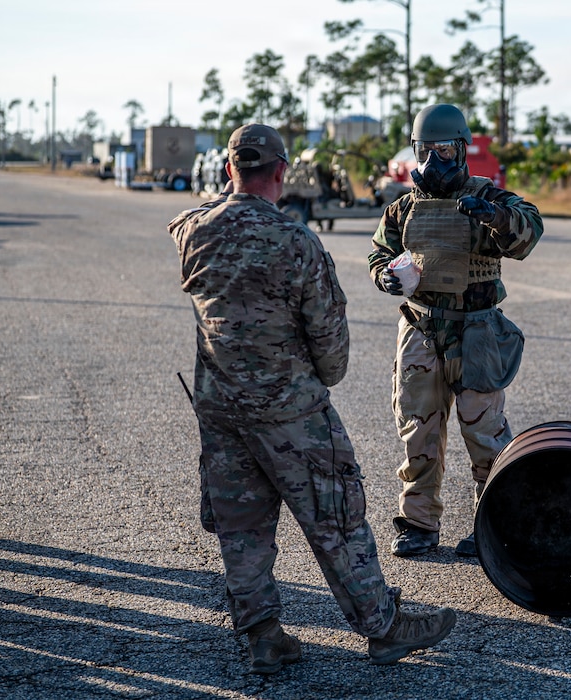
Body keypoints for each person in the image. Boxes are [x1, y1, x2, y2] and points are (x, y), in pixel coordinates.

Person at [168, 123, 456, 673]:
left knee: (241, 523)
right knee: (337, 515)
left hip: (220, 406)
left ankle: (263, 635)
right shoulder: (296, 240)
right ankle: (382, 625)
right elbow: (331, 351)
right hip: (289, 408)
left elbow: (197, 227)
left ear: (230, 170)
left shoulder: (193, 231)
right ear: (281, 172)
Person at [368, 104, 543, 558]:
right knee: (418, 430)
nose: (433, 162)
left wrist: (493, 216)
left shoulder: (492, 199)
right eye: (424, 151)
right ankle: (418, 523)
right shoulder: (404, 207)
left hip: (476, 333)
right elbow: (379, 253)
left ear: (462, 150)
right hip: (421, 328)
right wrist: (385, 275)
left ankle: (495, 526)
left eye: (443, 150)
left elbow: (529, 232)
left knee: (485, 432)